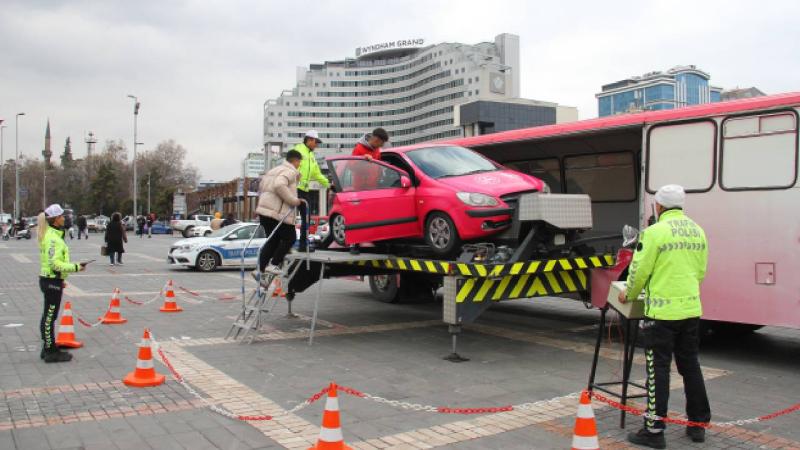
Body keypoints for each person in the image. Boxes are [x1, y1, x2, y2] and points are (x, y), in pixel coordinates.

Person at [619, 184, 710, 448]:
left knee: (658, 368)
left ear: (658, 207)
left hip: (660, 314)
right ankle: (697, 425)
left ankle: (654, 430)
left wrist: (629, 293)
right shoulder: (697, 231)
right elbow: (700, 272)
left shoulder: (654, 232)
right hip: (691, 309)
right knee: (690, 365)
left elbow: (639, 270)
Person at [38, 204, 87, 363]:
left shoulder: (54, 235)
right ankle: (50, 351)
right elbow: (54, 264)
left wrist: (61, 279)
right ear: (55, 219)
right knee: (50, 317)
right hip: (51, 281)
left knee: (48, 316)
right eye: (61, 216)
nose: (64, 218)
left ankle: (48, 347)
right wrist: (76, 267)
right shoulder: (53, 238)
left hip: (52, 280)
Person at [254, 149, 302, 279]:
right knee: (290, 237)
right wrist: (293, 201)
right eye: (300, 162)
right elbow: (279, 185)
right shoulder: (290, 171)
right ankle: (273, 264)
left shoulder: (273, 170)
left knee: (273, 241)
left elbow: (263, 187)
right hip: (277, 213)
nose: (300, 165)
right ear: (296, 161)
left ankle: (260, 269)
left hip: (264, 212)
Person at [293, 130, 330, 252]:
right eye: (316, 142)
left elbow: (317, 174)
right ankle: (285, 243)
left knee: (306, 218)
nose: (317, 145)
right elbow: (289, 166)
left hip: (304, 191)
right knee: (286, 218)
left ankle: (303, 245)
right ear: (309, 140)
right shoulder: (298, 150)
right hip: (293, 189)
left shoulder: (311, 156)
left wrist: (329, 184)